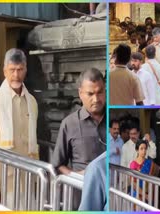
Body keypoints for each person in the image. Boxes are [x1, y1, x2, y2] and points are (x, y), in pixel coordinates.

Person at [0, 48, 39, 209]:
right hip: (4, 177)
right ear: (5, 70)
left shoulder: (32, 101)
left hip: (27, 175)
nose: (16, 75)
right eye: (12, 70)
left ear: (25, 69)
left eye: (20, 70)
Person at [52, 68, 106, 210]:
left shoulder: (113, 120)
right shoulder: (69, 124)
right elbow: (58, 165)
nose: (96, 99)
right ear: (80, 93)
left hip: (113, 196)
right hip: (81, 197)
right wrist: (77, 176)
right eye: (90, 94)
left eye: (100, 92)